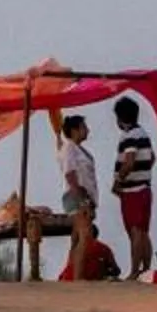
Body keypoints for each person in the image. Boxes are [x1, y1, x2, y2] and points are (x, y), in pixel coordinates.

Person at [106, 97, 157, 278]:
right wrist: (143, 173)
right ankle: (146, 268)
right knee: (143, 230)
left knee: (135, 230)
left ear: (120, 118)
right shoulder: (143, 133)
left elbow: (128, 162)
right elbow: (152, 158)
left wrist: (118, 182)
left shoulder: (128, 136)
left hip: (132, 191)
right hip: (145, 187)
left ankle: (135, 270)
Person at [56, 114, 98, 281]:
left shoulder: (77, 149)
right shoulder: (70, 148)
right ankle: (78, 277)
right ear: (75, 130)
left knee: (77, 236)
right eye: (83, 127)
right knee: (85, 235)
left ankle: (70, 273)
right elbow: (70, 174)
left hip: (84, 196)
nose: (87, 130)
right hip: (77, 196)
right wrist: (82, 201)